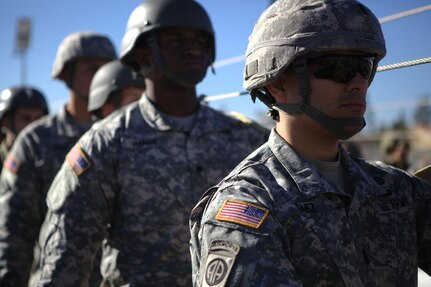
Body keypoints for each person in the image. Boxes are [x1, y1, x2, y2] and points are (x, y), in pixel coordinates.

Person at [190, 0, 431, 286]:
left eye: (363, 67)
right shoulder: (249, 205)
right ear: (278, 83)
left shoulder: (396, 190)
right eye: (338, 68)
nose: (358, 84)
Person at [37, 0, 269, 286]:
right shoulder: (105, 145)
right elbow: (64, 261)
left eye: (200, 40)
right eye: (175, 39)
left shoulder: (245, 138)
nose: (192, 48)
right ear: (143, 56)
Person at [0, 32, 116, 287]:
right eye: (91, 68)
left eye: (106, 67)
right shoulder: (36, 141)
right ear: (66, 75)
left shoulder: (124, 134)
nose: (101, 75)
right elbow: (14, 233)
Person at [0, 86, 49, 169]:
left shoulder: (50, 159)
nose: (33, 124)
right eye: (26, 118)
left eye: (38, 118)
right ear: (6, 121)